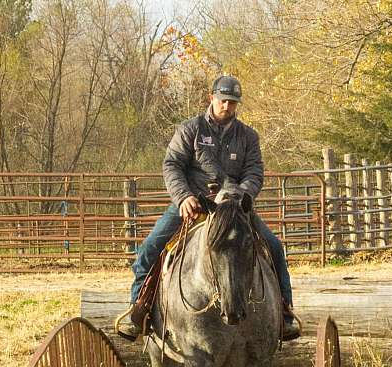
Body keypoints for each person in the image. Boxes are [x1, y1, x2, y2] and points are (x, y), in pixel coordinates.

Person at [118, 75, 300, 341]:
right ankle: (140, 310)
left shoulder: (248, 136)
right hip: (193, 205)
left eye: (233, 102)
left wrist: (241, 196)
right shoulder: (190, 129)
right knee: (149, 248)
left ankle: (284, 314)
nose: (228, 106)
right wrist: (183, 197)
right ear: (211, 98)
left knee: (273, 246)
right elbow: (172, 165)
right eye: (224, 100)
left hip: (234, 209)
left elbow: (254, 171)